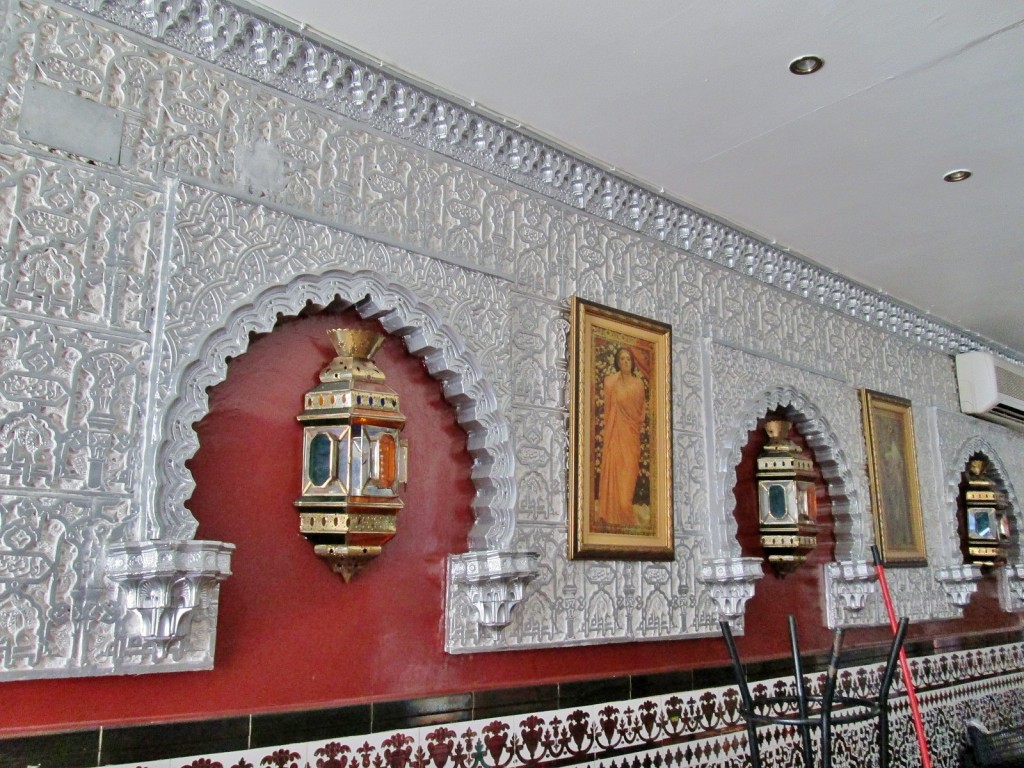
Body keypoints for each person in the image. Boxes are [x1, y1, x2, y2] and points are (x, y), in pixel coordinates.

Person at [596, 346, 647, 529]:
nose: (625, 361)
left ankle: (625, 517)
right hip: (615, 436)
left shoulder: (638, 385)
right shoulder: (611, 383)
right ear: (618, 362)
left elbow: (640, 413)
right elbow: (609, 409)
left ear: (632, 363)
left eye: (628, 359)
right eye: (622, 359)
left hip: (631, 439)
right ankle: (613, 518)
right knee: (615, 480)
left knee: (626, 491)